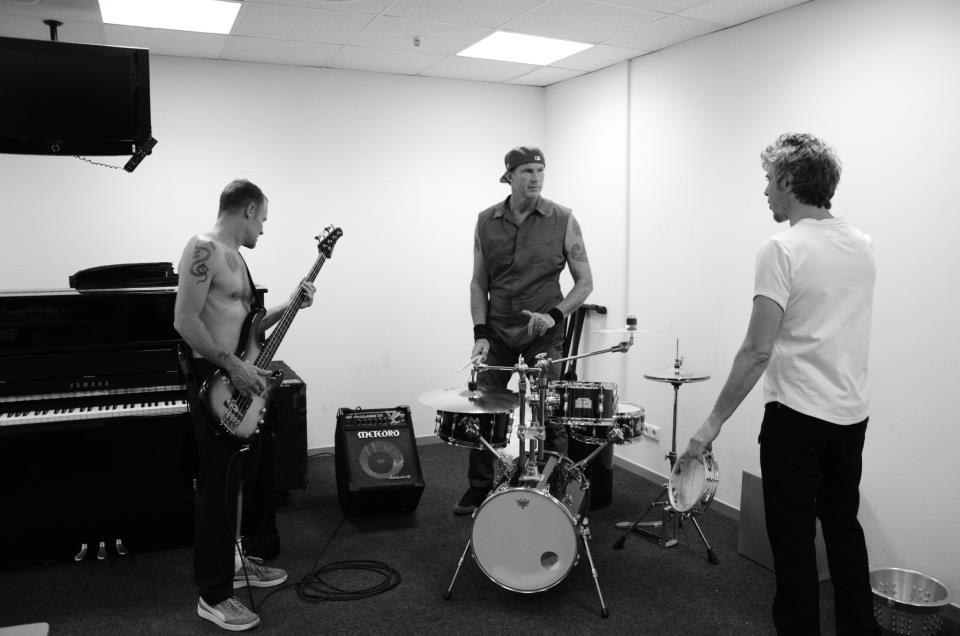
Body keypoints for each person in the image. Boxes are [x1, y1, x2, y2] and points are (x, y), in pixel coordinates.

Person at [678, 133, 879, 635]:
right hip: (851, 416)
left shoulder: (782, 248)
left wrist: (711, 424)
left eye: (769, 180)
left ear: (789, 182)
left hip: (797, 419)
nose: (765, 190)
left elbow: (757, 349)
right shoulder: (861, 243)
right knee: (843, 526)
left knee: (792, 542)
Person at [174, 179, 316, 632]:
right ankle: (213, 596)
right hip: (215, 382)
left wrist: (291, 304)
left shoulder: (236, 258)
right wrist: (233, 366)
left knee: (236, 481)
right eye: (264, 219)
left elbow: (247, 324)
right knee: (216, 488)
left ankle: (234, 563)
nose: (264, 229)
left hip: (235, 379)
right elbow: (185, 320)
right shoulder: (203, 248)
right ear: (249, 210)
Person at [457, 146, 594, 515]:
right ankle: (479, 488)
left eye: (540, 171)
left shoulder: (563, 219)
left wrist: (554, 315)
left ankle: (555, 490)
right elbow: (478, 283)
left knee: (549, 412)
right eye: (527, 172)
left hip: (544, 332)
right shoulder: (486, 221)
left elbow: (585, 283)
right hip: (498, 331)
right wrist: (480, 333)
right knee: (484, 408)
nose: (536, 178)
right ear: (509, 177)